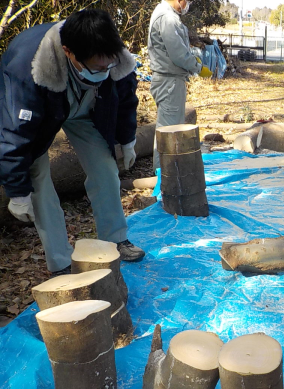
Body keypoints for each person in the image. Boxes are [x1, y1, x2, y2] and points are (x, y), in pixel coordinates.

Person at [0, 9, 145, 277]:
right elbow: (14, 133)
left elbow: (125, 101)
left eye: (108, 67)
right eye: (97, 68)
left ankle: (115, 239)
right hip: (41, 111)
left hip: (85, 106)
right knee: (38, 182)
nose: (104, 71)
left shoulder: (113, 55)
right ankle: (61, 263)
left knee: (105, 167)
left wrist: (127, 140)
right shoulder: (26, 69)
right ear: (69, 52)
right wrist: (16, 190)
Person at [148, 0, 212, 171]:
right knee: (168, 133)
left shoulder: (166, 14)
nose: (187, 4)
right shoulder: (167, 17)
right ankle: (163, 178)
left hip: (170, 80)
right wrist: (198, 67)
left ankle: (164, 175)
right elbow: (178, 54)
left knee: (167, 129)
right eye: (187, 1)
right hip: (169, 81)